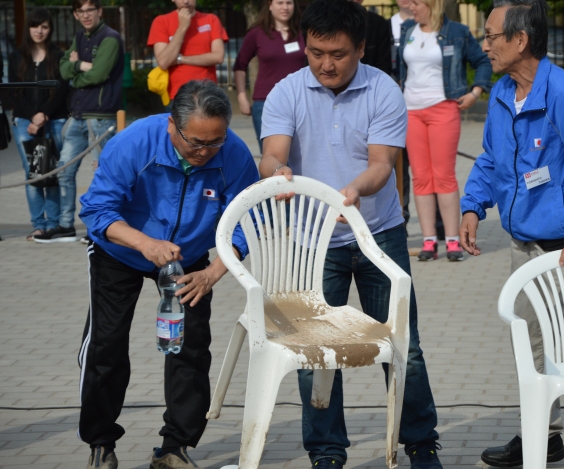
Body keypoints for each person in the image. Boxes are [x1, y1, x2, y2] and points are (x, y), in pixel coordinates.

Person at [259, 1, 442, 468]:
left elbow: (382, 164)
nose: (326, 64)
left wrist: (357, 188)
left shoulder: (383, 90)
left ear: (360, 48)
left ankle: (420, 442)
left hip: (378, 235)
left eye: (338, 53)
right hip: (310, 244)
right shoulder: (285, 91)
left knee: (405, 347)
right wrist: (277, 172)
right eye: (316, 52)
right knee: (314, 349)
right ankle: (326, 452)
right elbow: (271, 154)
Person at [458, 1, 564, 469]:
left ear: (520, 41)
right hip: (524, 245)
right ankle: (543, 435)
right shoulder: (501, 91)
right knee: (533, 347)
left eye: (491, 36)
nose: (484, 45)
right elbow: (492, 157)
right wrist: (473, 206)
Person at [77, 80, 259, 469]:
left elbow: (247, 219)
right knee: (106, 344)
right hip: (121, 251)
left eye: (215, 142)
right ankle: (100, 443)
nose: (204, 153)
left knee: (188, 347)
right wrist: (144, 243)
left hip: (190, 257)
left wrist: (213, 272)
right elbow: (96, 211)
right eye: (195, 142)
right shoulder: (134, 143)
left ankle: (175, 446)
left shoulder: (235, 155)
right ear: (171, 127)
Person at [397, 0, 491, 262]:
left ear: (431, 3)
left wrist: (475, 92)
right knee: (421, 177)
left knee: (444, 176)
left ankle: (452, 241)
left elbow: (483, 61)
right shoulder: (407, 29)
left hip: (444, 109)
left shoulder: (457, 31)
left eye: (416, 3)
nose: (410, 7)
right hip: (411, 112)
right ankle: (429, 242)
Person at [33, 0, 123, 243]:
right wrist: (79, 65)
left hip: (102, 118)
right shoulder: (79, 36)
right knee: (64, 170)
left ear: (99, 11)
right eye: (80, 11)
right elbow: (63, 70)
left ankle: (102, 229)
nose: (85, 15)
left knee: (103, 175)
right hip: (78, 115)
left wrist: (76, 76)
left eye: (90, 10)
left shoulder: (110, 38)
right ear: (75, 14)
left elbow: (99, 74)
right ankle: (65, 225)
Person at [8, 8, 70, 242]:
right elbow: (15, 93)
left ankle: (53, 224)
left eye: (44, 26)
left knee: (51, 171)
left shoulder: (58, 55)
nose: (39, 31)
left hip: (54, 120)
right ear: (29, 29)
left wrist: (43, 114)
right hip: (24, 122)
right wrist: (33, 116)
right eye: (35, 26)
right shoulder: (17, 57)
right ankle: (38, 225)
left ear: (50, 29)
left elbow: (62, 89)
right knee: (34, 174)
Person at [233, 0, 305, 150]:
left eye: (289, 3)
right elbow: (240, 65)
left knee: (300, 154)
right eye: (280, 3)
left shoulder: (303, 32)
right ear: (270, 6)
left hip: (300, 101)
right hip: (266, 102)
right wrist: (241, 97)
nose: (285, 7)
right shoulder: (257, 33)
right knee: (272, 155)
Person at [148, 0, 228, 106]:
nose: (186, 1)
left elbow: (218, 56)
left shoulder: (211, 19)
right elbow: (163, 62)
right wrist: (182, 28)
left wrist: (180, 59)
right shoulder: (161, 21)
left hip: (208, 92)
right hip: (178, 95)